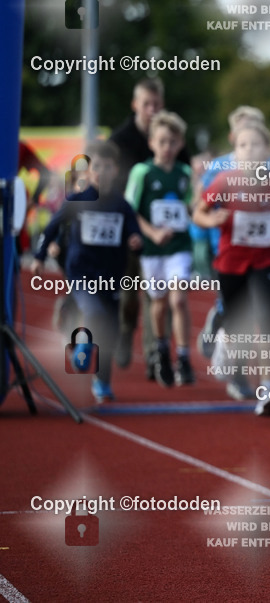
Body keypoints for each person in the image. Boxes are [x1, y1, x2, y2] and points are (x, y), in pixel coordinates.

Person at [192, 121, 270, 414]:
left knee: (266, 320)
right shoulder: (224, 181)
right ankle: (226, 346)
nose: (249, 150)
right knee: (236, 322)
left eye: (256, 145)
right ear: (235, 152)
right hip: (230, 262)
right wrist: (211, 220)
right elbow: (199, 213)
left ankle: (269, 388)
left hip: (263, 261)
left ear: (267, 151)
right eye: (242, 145)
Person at [31, 141, 143, 403]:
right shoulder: (77, 201)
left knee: (111, 330)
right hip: (82, 273)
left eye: (107, 166)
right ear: (88, 171)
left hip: (111, 276)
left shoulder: (121, 205)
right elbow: (52, 227)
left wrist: (137, 241)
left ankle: (102, 381)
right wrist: (39, 256)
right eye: (97, 166)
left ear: (115, 170)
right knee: (93, 313)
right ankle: (82, 349)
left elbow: (134, 233)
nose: (102, 171)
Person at [124, 110, 194, 387]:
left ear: (180, 144)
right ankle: (161, 348)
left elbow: (191, 205)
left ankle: (184, 356)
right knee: (159, 302)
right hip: (153, 249)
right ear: (152, 142)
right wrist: (151, 231)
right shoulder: (142, 172)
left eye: (173, 142)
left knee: (179, 300)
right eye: (162, 141)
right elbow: (130, 208)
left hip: (179, 245)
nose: (168, 148)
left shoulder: (184, 173)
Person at [112, 78, 167, 369]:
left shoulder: (171, 138)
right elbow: (113, 186)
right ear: (135, 105)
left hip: (162, 233)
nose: (152, 110)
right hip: (130, 228)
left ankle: (153, 353)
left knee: (157, 294)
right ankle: (123, 333)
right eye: (147, 104)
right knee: (130, 292)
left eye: (157, 104)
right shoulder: (120, 140)